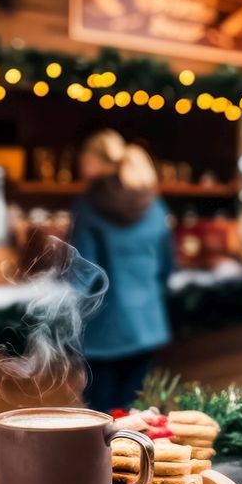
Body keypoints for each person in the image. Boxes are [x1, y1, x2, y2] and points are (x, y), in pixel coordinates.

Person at [70, 129, 174, 412]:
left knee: (100, 418)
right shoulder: (153, 205)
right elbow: (166, 267)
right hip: (148, 325)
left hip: (105, 331)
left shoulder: (90, 207)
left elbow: (84, 274)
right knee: (134, 414)